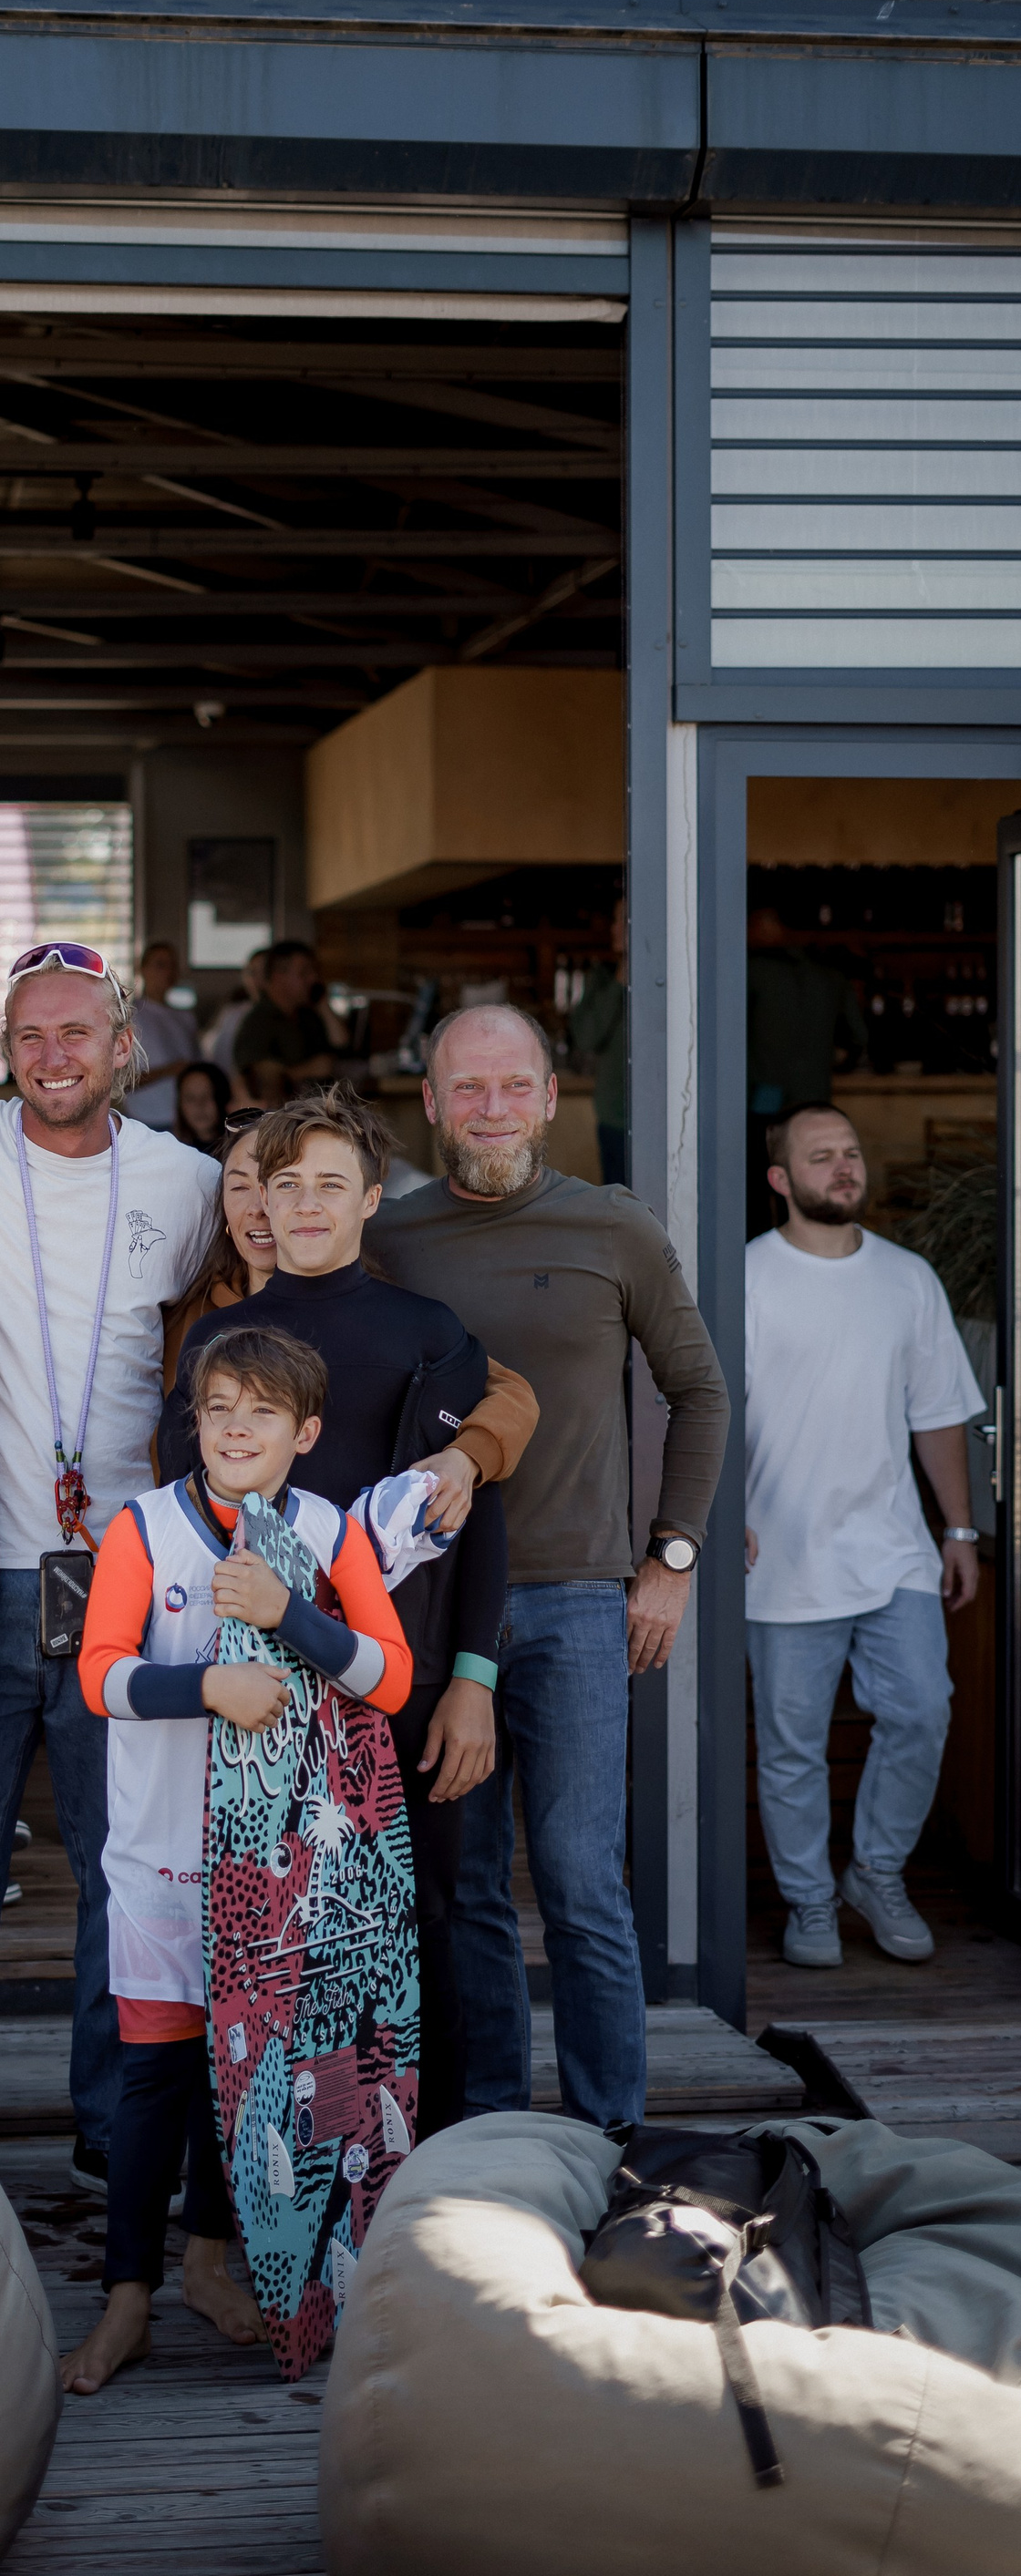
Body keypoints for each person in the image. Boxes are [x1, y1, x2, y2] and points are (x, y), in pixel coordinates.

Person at [0, 943, 218, 2181]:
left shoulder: (188, 1183)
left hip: (130, 1584)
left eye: (76, 1033)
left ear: (125, 1049)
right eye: (29, 1035)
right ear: (3, 1050)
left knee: (125, 1870)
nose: (52, 1055)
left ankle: (113, 2132)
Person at [367, 1004, 730, 2130]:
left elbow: (701, 1392)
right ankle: (486, 2131)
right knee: (464, 1887)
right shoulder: (392, 1239)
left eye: (513, 1086)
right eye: (468, 1088)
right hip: (434, 1607)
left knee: (580, 1884)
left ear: (551, 1098)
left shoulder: (613, 1227)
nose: (492, 1109)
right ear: (430, 1104)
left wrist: (670, 1558)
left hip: (576, 1601)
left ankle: (611, 2133)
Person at [158, 1084, 536, 2130]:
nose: (308, 1204)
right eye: (287, 1186)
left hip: (404, 1682)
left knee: (431, 1914)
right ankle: (285, 2167)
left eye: (334, 1184)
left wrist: (473, 1679)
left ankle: (439, 2157)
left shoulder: (429, 1334)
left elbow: (476, 1521)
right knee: (273, 1929)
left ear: (373, 1198)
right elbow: (183, 1511)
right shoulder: (220, 1341)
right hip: (263, 1694)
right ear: (260, 1203)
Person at [65, 1322, 413, 2395]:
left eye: (262, 1411)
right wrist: (207, 1686)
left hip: (277, 1873)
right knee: (154, 2074)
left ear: (305, 1432)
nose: (235, 1428)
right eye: (218, 1408)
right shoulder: (144, 1527)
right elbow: (98, 1675)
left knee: (250, 2073)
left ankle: (210, 2265)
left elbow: (392, 1678)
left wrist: (288, 1615)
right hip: (162, 1859)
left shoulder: (328, 1530)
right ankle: (126, 2300)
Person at [745, 1103, 983, 1969]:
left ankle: (875, 1873)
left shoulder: (907, 1279)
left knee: (923, 1709)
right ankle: (810, 1901)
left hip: (894, 1547)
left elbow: (938, 1414)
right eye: (822, 1157)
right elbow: (706, 1407)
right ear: (780, 1180)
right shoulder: (746, 1278)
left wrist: (958, 1526)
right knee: (792, 1747)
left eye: (850, 1153)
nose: (845, 1167)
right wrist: (717, 1509)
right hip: (782, 1555)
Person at [747, 905, 868, 1235]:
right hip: (815, 1098)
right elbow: (858, 1038)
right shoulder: (830, 976)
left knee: (758, 1187)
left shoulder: (751, 971)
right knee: (807, 1181)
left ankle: (763, 1252)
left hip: (763, 1098)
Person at [159, 1105, 269, 1395]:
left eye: (279, 1184)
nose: (257, 1208)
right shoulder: (193, 1319)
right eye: (239, 1187)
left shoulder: (355, 1315)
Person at [232, 941, 335, 1107]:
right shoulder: (259, 1023)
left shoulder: (307, 1016)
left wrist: (323, 1005)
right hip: (283, 1116)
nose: (313, 979)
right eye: (303, 973)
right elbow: (256, 1080)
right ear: (279, 977)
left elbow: (341, 1046)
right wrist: (307, 1070)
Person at [568, 896, 627, 1186]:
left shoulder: (672, 980)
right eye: (614, 920)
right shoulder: (602, 978)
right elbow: (586, 1038)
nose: (614, 928)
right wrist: (619, 983)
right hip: (614, 1115)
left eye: (622, 920)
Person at [124, 940, 201, 1130]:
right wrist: (168, 1071)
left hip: (186, 1120)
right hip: (146, 1118)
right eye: (160, 965)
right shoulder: (130, 1016)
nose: (168, 972)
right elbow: (120, 1081)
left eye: (172, 965)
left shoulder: (186, 1018)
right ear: (142, 969)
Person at [202, 947, 269, 1088]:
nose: (257, 980)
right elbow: (216, 1057)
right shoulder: (232, 1015)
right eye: (252, 973)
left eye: (265, 972)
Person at [172, 1059, 231, 1155]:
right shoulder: (172, 1153)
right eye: (190, 1098)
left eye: (208, 1095)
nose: (199, 1105)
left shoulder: (239, 1150)